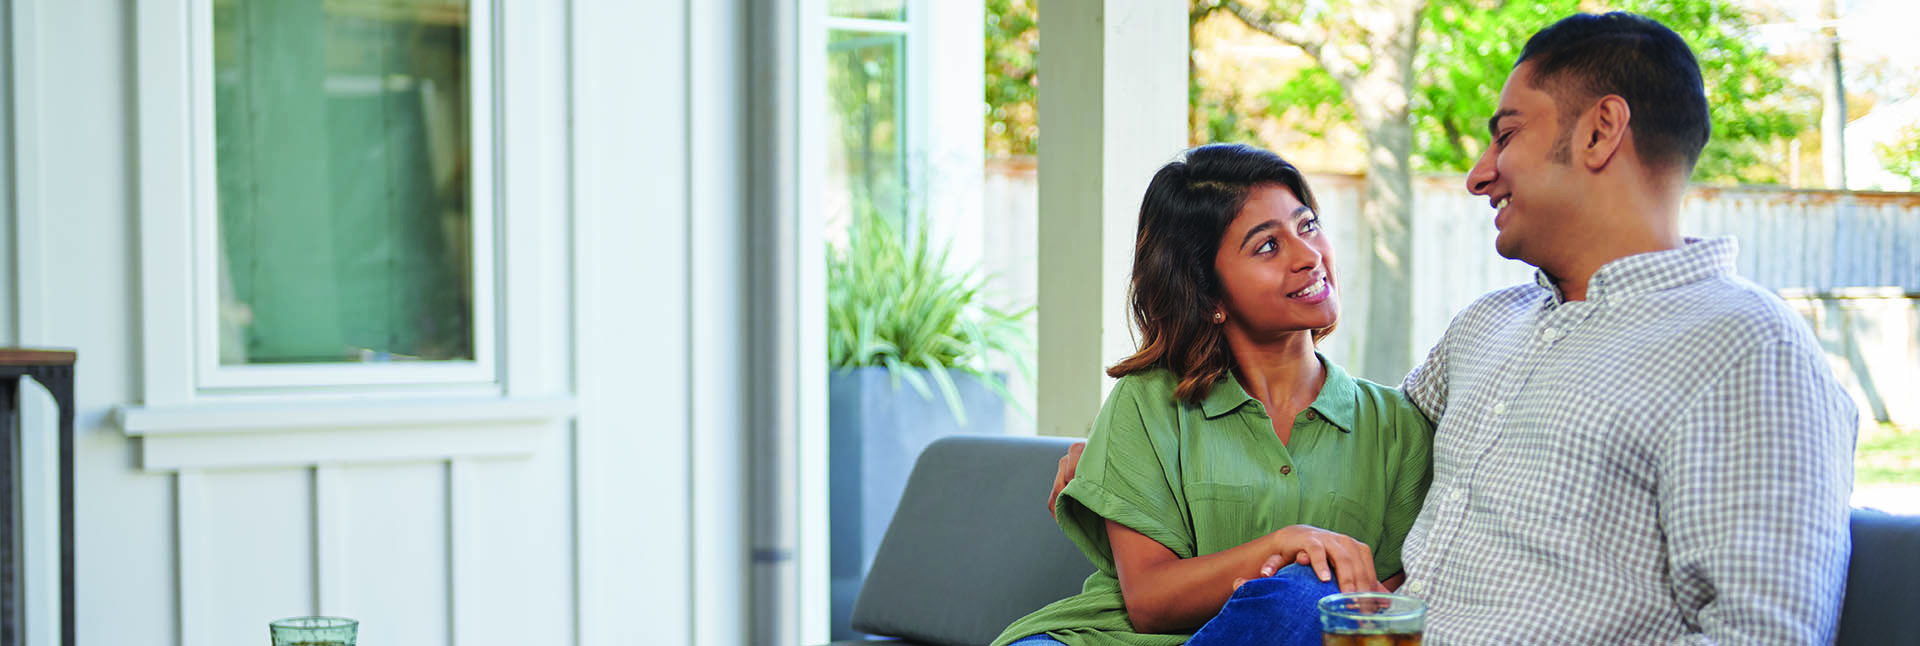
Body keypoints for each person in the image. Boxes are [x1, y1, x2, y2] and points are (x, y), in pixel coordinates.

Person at [1051, 11, 1857, 645]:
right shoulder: (1490, 327)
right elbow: (1353, 435)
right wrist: (1126, 458)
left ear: (1601, 131)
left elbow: (1761, 633)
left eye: (1506, 135)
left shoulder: (1748, 351)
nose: (1476, 174)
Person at [994, 143, 1433, 646]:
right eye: (1268, 246)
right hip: (1099, 639)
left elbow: (1381, 610)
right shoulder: (1147, 402)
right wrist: (1287, 544)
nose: (1310, 256)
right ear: (1209, 293)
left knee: (1306, 594)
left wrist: (1302, 578)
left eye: (1307, 225)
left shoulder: (1398, 426)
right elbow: (1150, 601)